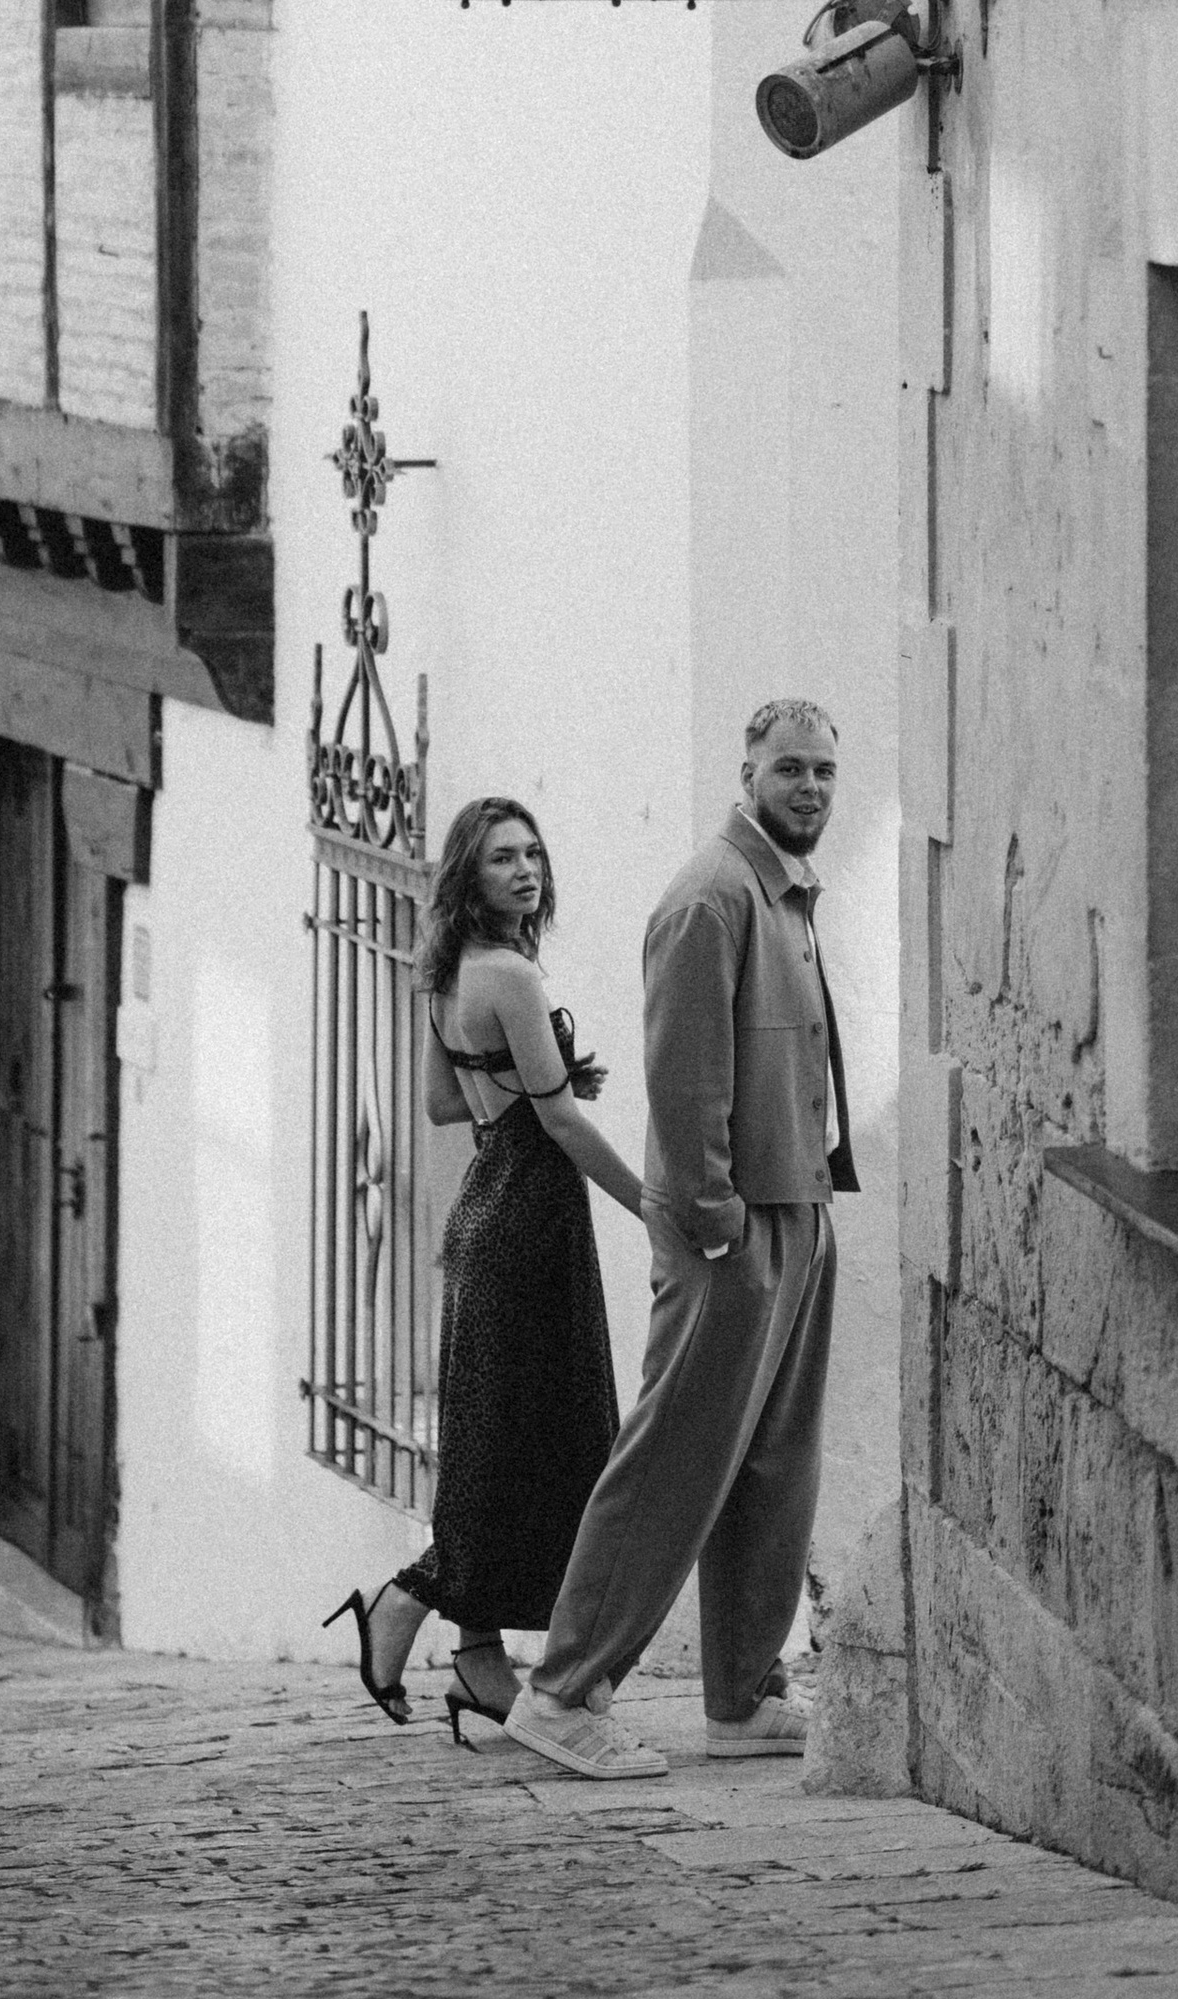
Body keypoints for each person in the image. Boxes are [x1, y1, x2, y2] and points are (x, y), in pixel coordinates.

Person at [502, 697, 859, 1785]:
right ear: (745, 772)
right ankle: (562, 1691)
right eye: (789, 769)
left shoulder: (782, 890)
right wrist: (712, 1223)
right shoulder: (710, 898)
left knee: (772, 1466)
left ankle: (742, 1696)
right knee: (672, 1461)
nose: (809, 788)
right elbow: (684, 1072)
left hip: (798, 1208)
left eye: (824, 773)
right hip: (730, 1228)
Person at [323, 793, 643, 1738]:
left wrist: (519, 1076)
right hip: (533, 1217)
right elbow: (560, 1124)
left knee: (491, 1446)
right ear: (471, 872)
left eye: (535, 853)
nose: (527, 870)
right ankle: (405, 1601)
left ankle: (476, 1657)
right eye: (504, 857)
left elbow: (439, 1102)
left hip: (483, 1210)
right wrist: (654, 1208)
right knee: (550, 1442)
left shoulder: (446, 972)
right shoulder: (510, 973)